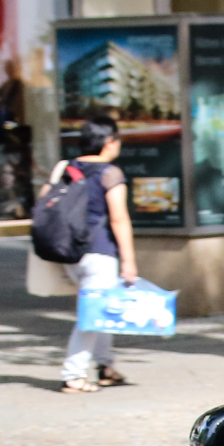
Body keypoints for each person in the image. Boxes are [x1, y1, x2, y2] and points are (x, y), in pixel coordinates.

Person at [46, 112, 136, 394]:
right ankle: (73, 374)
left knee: (100, 310)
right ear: (108, 142)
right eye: (117, 139)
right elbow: (119, 218)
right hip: (100, 253)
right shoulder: (110, 173)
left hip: (70, 252)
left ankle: (106, 366)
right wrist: (129, 260)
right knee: (91, 316)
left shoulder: (67, 168)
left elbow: (45, 202)